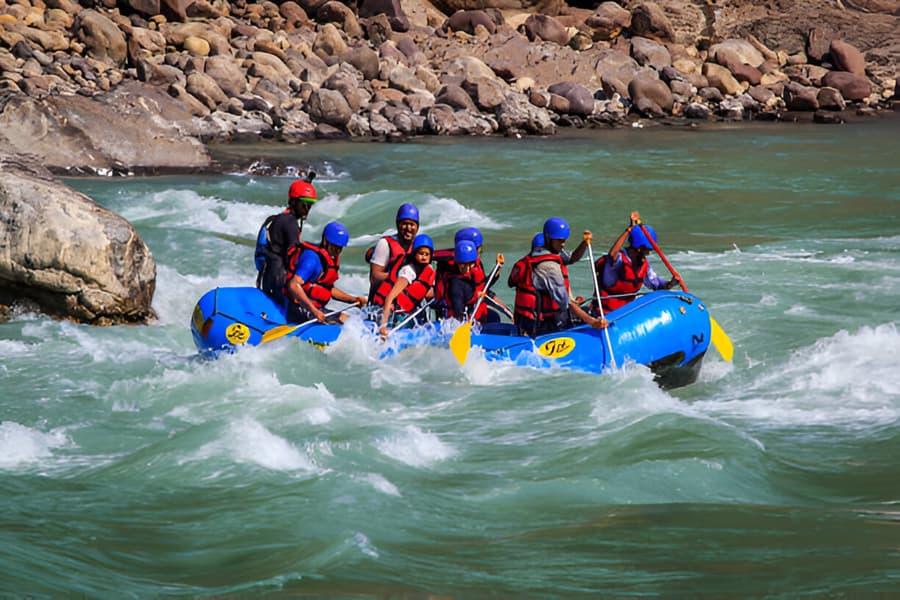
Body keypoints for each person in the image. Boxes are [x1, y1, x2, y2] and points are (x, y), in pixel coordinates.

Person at [508, 217, 607, 337]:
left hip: (526, 320)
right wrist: (592, 321)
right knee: (590, 312)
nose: (563, 244)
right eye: (560, 241)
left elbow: (571, 258)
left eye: (564, 240)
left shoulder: (538, 254)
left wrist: (584, 243)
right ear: (549, 238)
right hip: (540, 325)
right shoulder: (549, 267)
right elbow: (566, 303)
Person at [284, 221, 366, 324]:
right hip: (300, 308)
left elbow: (328, 289)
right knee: (344, 323)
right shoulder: (311, 259)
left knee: (351, 321)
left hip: (316, 309)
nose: (337, 251)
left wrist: (352, 300)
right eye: (334, 246)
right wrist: (314, 310)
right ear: (325, 241)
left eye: (340, 248)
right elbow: (293, 285)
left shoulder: (329, 259)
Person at [595, 214, 676, 313]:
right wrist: (629, 230)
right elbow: (612, 254)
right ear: (639, 248)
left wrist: (670, 283)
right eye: (647, 250)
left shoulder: (643, 264)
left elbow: (656, 284)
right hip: (608, 311)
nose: (649, 253)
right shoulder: (618, 261)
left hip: (628, 309)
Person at [255, 174, 318, 300]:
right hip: (279, 281)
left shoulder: (279, 218)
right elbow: (294, 257)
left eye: (310, 205)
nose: (307, 209)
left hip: (268, 278)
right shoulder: (290, 223)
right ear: (293, 202)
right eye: (304, 204)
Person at [376, 234, 436, 338]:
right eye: (421, 253)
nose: (424, 257)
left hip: (406, 314)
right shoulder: (408, 272)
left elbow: (425, 292)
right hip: (393, 315)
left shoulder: (427, 271)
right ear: (414, 254)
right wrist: (383, 326)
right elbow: (390, 297)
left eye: (427, 254)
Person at [367, 203, 420, 302]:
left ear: (417, 227)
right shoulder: (385, 244)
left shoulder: (419, 247)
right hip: (381, 303)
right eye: (404, 223)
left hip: (405, 305)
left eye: (412, 224)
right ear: (398, 225)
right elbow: (374, 277)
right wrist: (401, 278)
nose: (408, 228)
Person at [434, 239, 488, 322]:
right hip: (464, 321)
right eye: (463, 264)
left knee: (495, 317)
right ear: (457, 262)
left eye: (470, 264)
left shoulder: (471, 274)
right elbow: (458, 313)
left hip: (473, 314)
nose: (467, 268)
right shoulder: (455, 284)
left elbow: (481, 285)